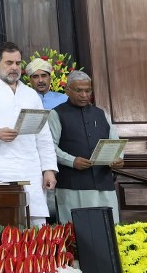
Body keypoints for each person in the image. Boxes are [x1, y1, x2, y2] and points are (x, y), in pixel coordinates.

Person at [0, 41, 58, 226]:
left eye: (18, 63)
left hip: (31, 168)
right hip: (1, 168)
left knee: (36, 223)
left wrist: (48, 169)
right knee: (3, 223)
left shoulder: (31, 94)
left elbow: (43, 136)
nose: (14, 68)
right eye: (9, 63)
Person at [48, 70, 123, 224]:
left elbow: (115, 142)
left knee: (110, 230)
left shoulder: (101, 114)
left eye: (87, 90)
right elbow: (49, 147)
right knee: (78, 233)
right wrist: (72, 161)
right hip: (73, 186)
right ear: (67, 91)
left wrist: (118, 159)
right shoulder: (56, 114)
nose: (84, 95)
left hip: (104, 184)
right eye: (79, 90)